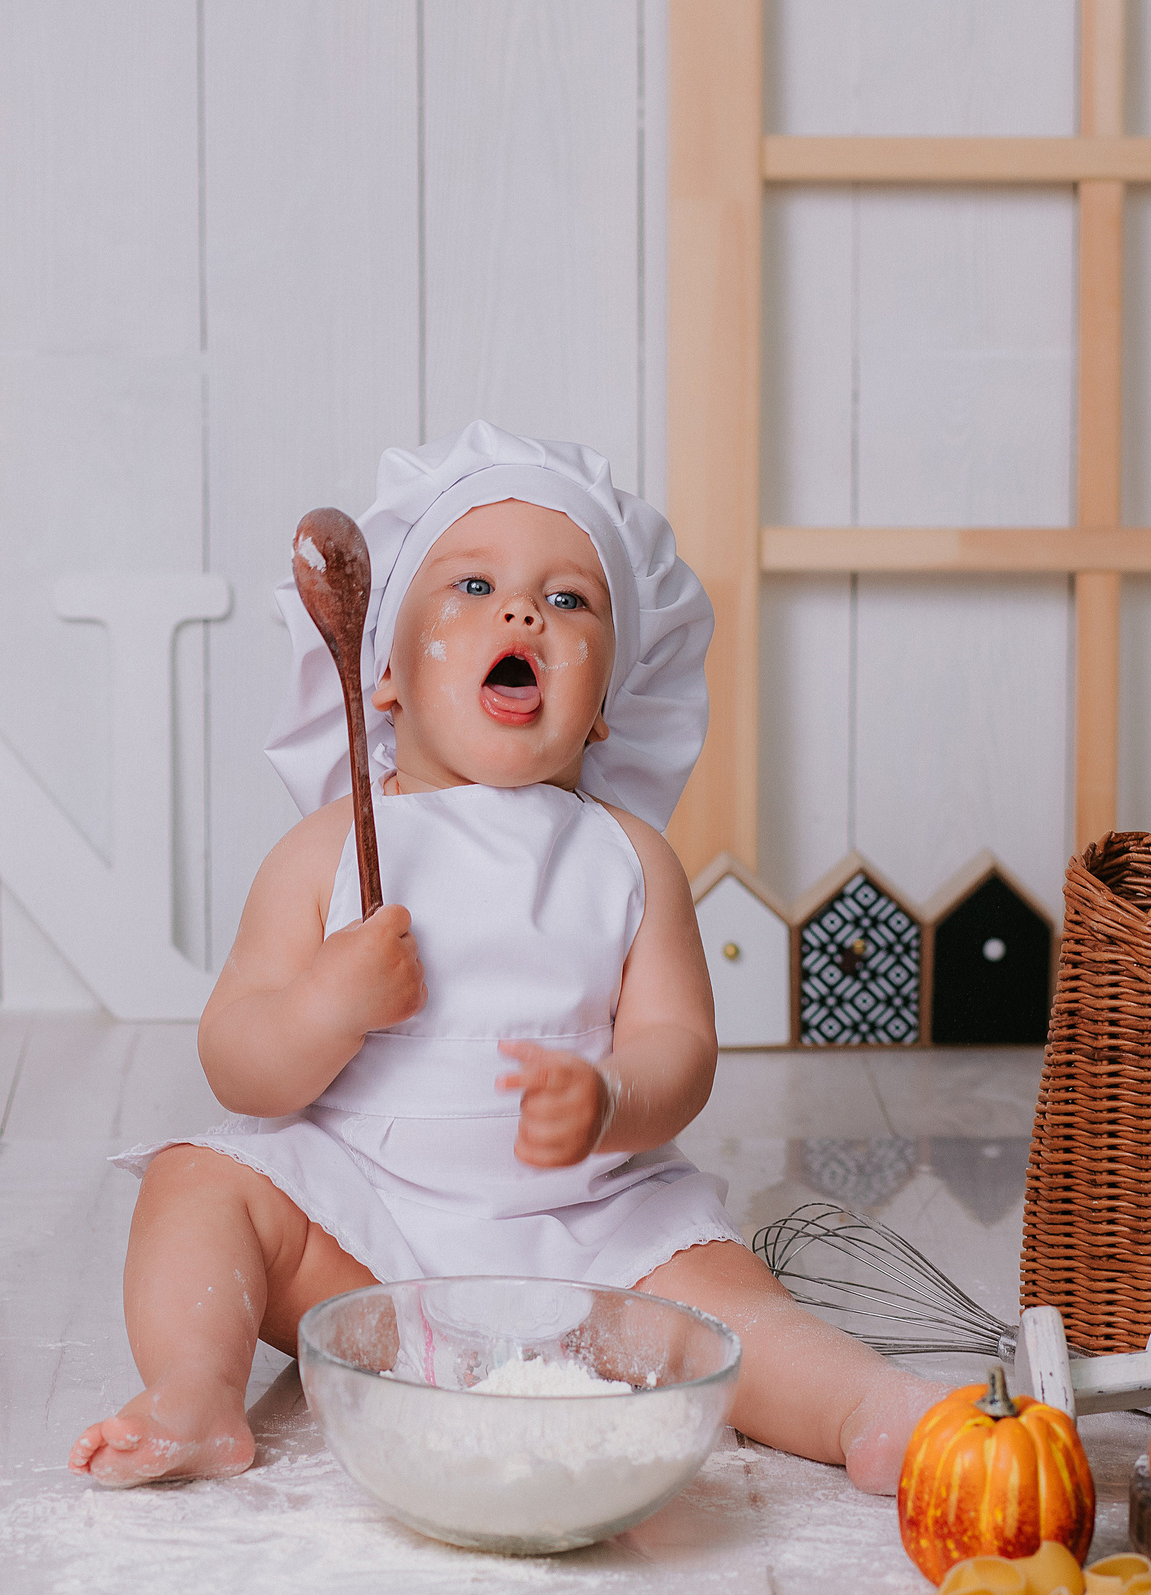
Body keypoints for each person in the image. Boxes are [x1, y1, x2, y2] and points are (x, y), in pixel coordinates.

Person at [70, 422, 935, 1494]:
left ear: (612, 704)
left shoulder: (627, 860)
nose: (522, 612)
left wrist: (612, 1097)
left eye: (570, 600)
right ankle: (197, 1394)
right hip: (366, 1234)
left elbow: (682, 1049)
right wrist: (322, 1012)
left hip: (592, 1230)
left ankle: (867, 1407)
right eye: (472, 586)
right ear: (381, 674)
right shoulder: (329, 849)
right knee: (199, 1185)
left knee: (726, 1299)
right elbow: (236, 1061)